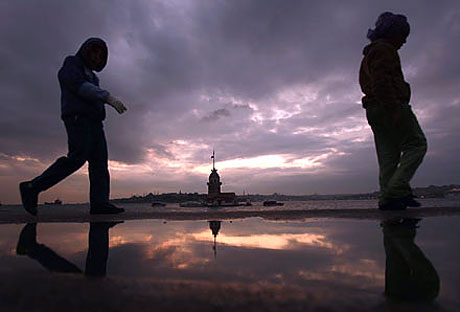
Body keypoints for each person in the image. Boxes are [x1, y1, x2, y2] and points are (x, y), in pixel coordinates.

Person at [19, 38, 127, 215]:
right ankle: (32, 187)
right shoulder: (72, 64)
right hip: (78, 119)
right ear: (85, 51)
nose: (96, 56)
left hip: (95, 123)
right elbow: (78, 86)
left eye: (100, 54)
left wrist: (102, 103)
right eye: (94, 51)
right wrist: (107, 97)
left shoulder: (94, 77)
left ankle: (100, 203)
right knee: (77, 158)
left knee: (99, 163)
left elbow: (91, 92)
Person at [359, 12, 427, 210]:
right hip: (389, 105)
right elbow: (382, 81)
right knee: (417, 144)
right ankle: (397, 191)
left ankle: (389, 198)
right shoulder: (384, 50)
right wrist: (393, 108)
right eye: (402, 35)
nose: (404, 41)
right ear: (392, 33)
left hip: (373, 109)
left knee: (388, 155)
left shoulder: (370, 53)